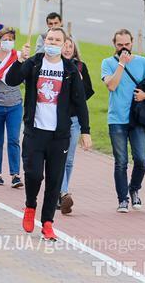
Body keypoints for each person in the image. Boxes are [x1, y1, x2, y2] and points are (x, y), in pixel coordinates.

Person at [5, 28, 92, 241]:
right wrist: (19, 59)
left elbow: (80, 101)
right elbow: (11, 80)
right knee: (33, 174)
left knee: (54, 180)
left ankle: (47, 223)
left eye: (57, 40)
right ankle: (30, 206)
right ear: (45, 42)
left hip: (59, 134)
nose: (52, 43)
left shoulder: (70, 69)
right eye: (49, 39)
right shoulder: (34, 63)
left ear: (64, 45)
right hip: (35, 131)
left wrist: (85, 131)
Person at [100, 29, 145, 213]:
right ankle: (122, 199)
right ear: (114, 44)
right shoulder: (107, 63)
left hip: (138, 119)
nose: (124, 48)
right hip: (117, 119)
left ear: (132, 43)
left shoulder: (143, 62)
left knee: (141, 159)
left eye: (127, 45)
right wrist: (121, 64)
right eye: (120, 45)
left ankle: (134, 189)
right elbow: (112, 85)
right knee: (121, 161)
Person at [59, 36, 94, 214]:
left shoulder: (80, 67)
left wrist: (79, 85)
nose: (67, 49)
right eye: (64, 45)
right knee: (60, 156)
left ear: (74, 49)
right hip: (57, 120)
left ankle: (62, 193)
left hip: (74, 120)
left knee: (69, 159)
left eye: (70, 46)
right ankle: (64, 193)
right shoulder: (54, 66)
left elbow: (88, 92)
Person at [0, 28, 24, 188]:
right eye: (5, 39)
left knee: (14, 139)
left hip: (14, 104)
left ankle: (15, 175)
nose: (8, 41)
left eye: (11, 39)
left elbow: (24, 75)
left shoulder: (18, 56)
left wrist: (25, 61)